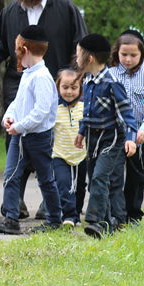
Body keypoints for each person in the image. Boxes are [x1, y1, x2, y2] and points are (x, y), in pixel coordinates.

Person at [0, 0, 87, 219]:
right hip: (18, 85)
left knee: (52, 145)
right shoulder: (11, 12)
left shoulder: (65, 9)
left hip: (58, 88)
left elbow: (80, 47)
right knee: (15, 140)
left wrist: (74, 79)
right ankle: (15, 203)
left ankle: (51, 202)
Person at [0, 26, 63, 235]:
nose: (14, 53)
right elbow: (18, 102)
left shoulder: (41, 77)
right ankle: (11, 218)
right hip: (20, 135)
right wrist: (9, 118)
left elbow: (41, 112)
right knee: (11, 174)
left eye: (16, 48)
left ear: (24, 48)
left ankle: (54, 219)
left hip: (38, 138)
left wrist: (20, 126)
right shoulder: (28, 74)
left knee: (46, 178)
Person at [74, 34, 138, 239]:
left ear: (89, 58)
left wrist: (130, 138)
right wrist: (81, 132)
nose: (76, 59)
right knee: (94, 181)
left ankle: (95, 221)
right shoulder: (88, 81)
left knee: (101, 177)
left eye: (78, 55)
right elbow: (87, 111)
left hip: (111, 139)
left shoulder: (112, 82)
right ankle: (110, 222)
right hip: (93, 138)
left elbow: (126, 113)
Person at [108, 30, 144, 226]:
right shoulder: (109, 75)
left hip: (140, 136)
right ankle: (116, 215)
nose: (128, 59)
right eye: (124, 55)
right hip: (114, 135)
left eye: (133, 55)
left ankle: (133, 215)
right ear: (117, 53)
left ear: (141, 55)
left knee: (136, 176)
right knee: (113, 175)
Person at [51, 67, 87, 227]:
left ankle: (77, 214)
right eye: (65, 87)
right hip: (59, 155)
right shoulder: (53, 110)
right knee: (64, 185)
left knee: (80, 187)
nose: (69, 92)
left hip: (81, 155)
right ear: (58, 87)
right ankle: (69, 216)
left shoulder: (85, 108)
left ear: (80, 88)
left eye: (74, 87)